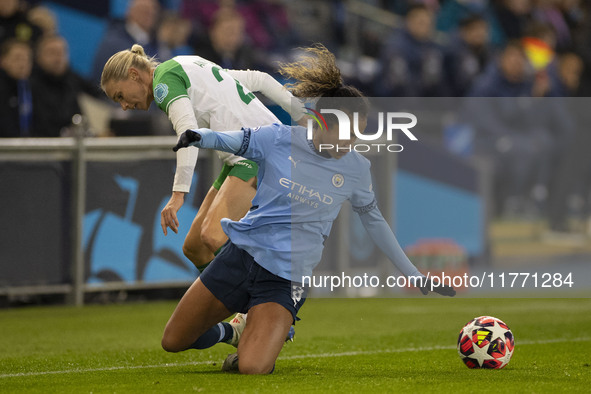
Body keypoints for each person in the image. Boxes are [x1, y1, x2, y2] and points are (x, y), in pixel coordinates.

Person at [161, 45, 456, 375]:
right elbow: (232, 140)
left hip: (285, 280)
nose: (353, 142)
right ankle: (232, 332)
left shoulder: (357, 169)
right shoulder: (278, 139)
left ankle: (256, 334)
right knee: (173, 341)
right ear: (321, 124)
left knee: (253, 367)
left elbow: (376, 223)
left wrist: (415, 275)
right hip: (240, 257)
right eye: (347, 133)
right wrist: (196, 136)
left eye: (358, 133)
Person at [100, 44, 304, 274]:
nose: (124, 106)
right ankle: (245, 303)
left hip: (261, 153)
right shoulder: (186, 63)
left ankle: (267, 299)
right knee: (196, 247)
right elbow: (261, 79)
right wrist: (301, 114)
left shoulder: (163, 85)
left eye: (120, 96)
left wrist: (178, 195)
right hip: (250, 153)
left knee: (213, 236)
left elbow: (188, 133)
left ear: (134, 75)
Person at [30, 35, 101, 137]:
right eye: (51, 53)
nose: (58, 58)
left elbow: (99, 93)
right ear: (38, 57)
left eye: (61, 53)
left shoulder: (72, 78)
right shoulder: (29, 85)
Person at [0, 38, 33, 138]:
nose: (23, 64)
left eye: (27, 59)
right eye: (17, 58)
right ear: (3, 61)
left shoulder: (33, 87)